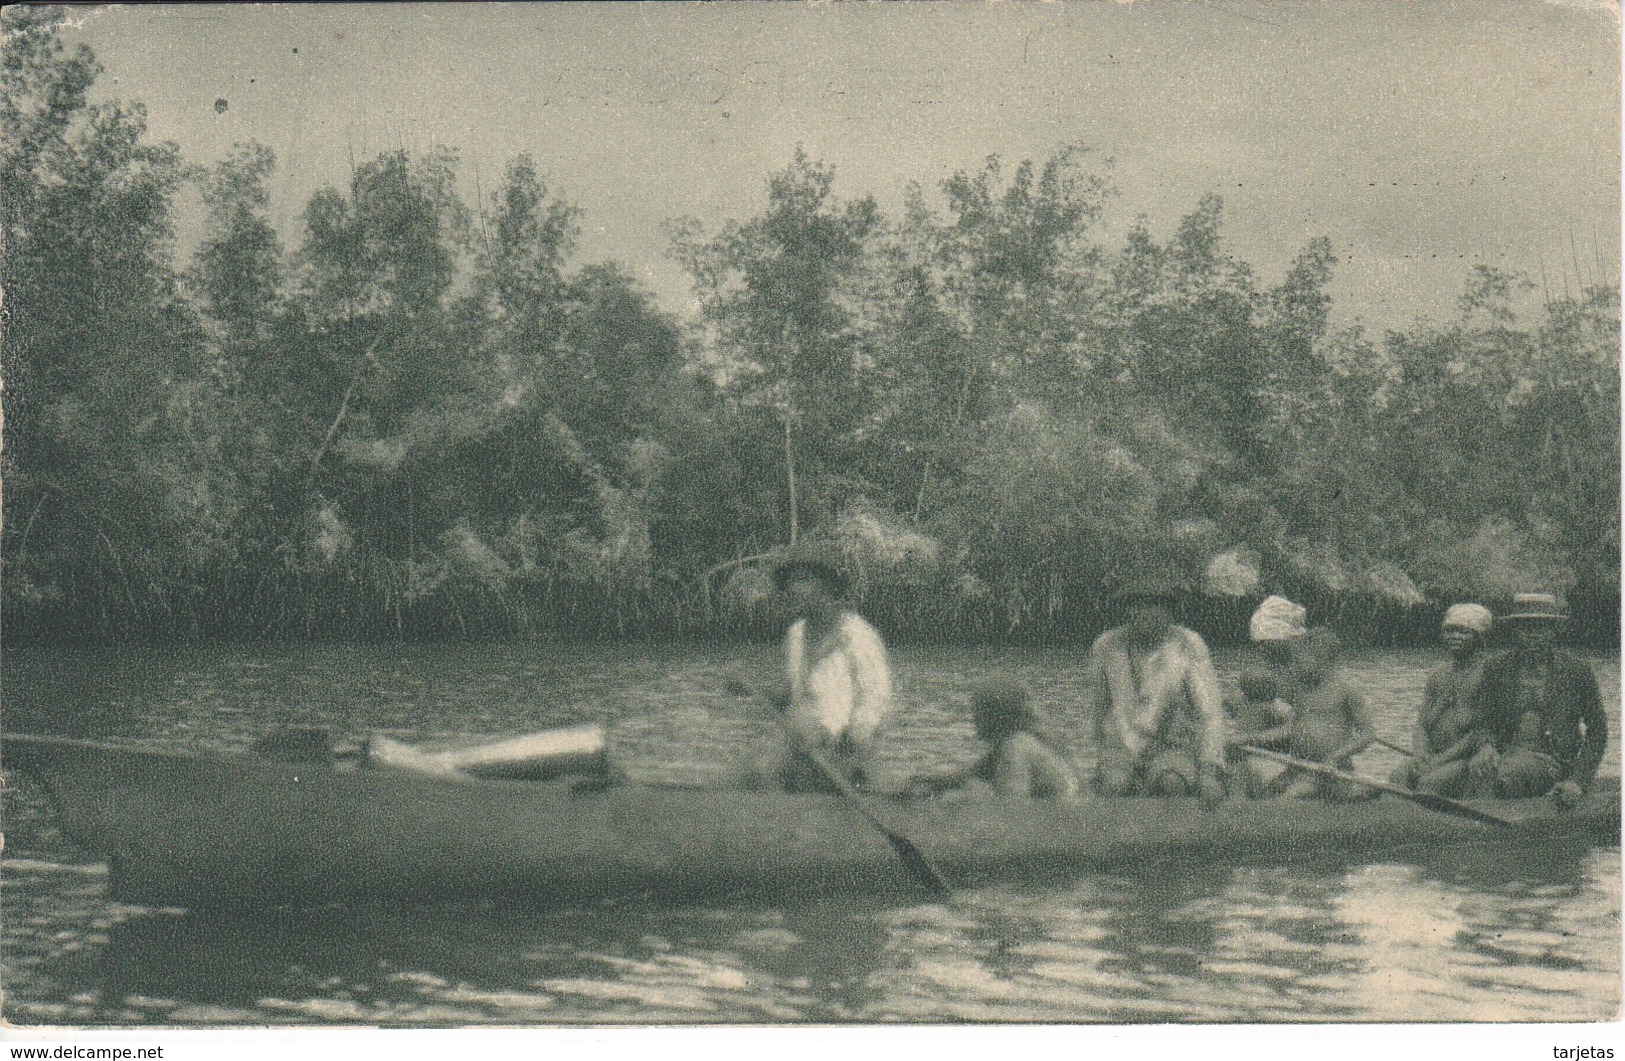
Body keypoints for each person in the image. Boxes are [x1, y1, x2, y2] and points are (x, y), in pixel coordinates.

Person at [747, 554, 893, 793]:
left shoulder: (857, 636)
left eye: (803, 580)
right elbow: (795, 696)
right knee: (754, 772)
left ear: (827, 587)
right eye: (791, 583)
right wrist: (750, 688)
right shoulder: (796, 634)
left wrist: (848, 746)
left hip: (844, 754)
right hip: (800, 746)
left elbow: (877, 702)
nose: (794, 589)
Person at [1086, 579, 1227, 803]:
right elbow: (1099, 710)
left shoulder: (1188, 644)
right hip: (1122, 747)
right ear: (1129, 611)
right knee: (1114, 784)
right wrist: (1106, 756)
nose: (1146, 613)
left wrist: (1210, 769)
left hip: (1173, 745)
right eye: (1139, 607)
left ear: (1169, 613)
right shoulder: (1107, 646)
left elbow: (1210, 715)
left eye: (1156, 607)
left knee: (1171, 784)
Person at [1467, 592, 1606, 807]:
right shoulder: (1496, 668)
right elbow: (1482, 722)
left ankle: (1479, 821)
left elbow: (1598, 732)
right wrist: (1486, 746)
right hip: (1503, 755)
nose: (1532, 635)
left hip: (1555, 763)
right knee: (1465, 772)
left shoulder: (1577, 671)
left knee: (1504, 774)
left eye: (1540, 627)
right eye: (1525, 627)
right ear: (1515, 631)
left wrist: (1578, 781)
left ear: (1553, 631)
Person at [905, 682, 1079, 800]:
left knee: (969, 790)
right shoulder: (1016, 742)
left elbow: (1011, 809)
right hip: (1060, 819)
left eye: (977, 712)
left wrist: (971, 796)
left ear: (995, 715)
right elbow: (966, 774)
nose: (974, 719)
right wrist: (928, 780)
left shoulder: (1016, 748)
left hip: (1057, 826)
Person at [1391, 603, 1494, 797]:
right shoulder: (1438, 674)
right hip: (1432, 753)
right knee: (1397, 777)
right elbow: (1421, 723)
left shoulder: (1489, 673)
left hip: (1463, 757)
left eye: (1464, 632)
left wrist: (1439, 761)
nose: (1455, 637)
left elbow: (1478, 733)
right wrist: (1421, 754)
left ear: (1480, 637)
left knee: (1431, 783)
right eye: (1450, 631)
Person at [1270, 627, 1377, 800]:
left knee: (1292, 795)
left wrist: (1335, 758)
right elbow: (1289, 729)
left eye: (1300, 661)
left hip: (1331, 770)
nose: (1294, 666)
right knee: (1271, 789)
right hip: (1301, 766)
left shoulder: (1346, 692)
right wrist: (1251, 738)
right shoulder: (1301, 692)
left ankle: (1354, 790)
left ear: (1323, 661)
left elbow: (1368, 734)